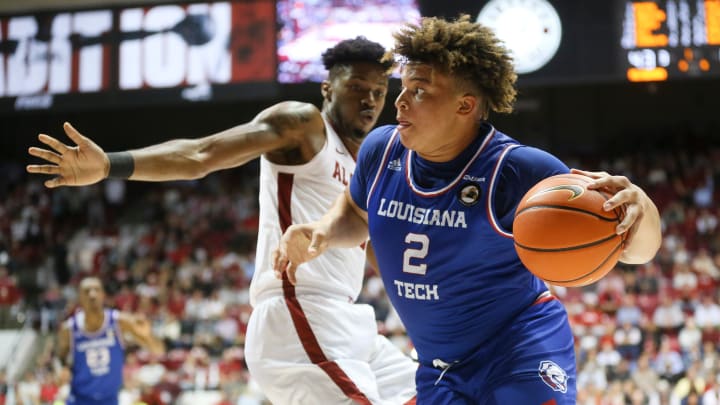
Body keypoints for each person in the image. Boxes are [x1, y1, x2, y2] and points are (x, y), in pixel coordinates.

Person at [273, 15, 662, 404]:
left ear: (465, 105)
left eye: (420, 90)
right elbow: (357, 216)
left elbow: (638, 250)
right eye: (404, 86)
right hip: (439, 367)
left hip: (519, 350)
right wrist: (323, 231)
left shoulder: (518, 170)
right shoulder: (381, 149)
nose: (401, 100)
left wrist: (640, 207)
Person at [27, 37, 417, 404]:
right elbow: (202, 155)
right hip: (300, 312)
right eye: (357, 87)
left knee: (436, 391)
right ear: (328, 88)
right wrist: (111, 164)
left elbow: (377, 249)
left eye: (379, 92)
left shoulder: (368, 164)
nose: (369, 100)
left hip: (351, 322)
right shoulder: (304, 126)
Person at [55, 277, 165, 405]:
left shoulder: (120, 322)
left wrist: (148, 336)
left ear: (103, 295)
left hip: (110, 400)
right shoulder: (68, 329)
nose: (92, 294)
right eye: (87, 291)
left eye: (96, 290)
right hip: (79, 400)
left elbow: (159, 350)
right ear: (80, 297)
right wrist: (63, 369)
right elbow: (60, 358)